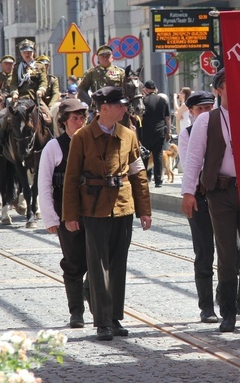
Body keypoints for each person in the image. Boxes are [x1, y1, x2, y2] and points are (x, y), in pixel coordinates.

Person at [62, 85, 152, 341]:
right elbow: (70, 179)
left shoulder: (129, 135)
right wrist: (70, 215)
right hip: (94, 208)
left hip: (123, 207)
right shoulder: (82, 137)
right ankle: (101, 322)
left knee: (118, 265)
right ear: (104, 109)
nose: (125, 109)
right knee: (98, 267)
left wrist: (144, 210)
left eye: (124, 105)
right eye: (120, 105)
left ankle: (114, 317)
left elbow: (138, 174)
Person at [181, 68, 240, 333]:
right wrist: (188, 192)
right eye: (229, 85)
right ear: (219, 90)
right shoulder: (207, 121)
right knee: (227, 253)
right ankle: (228, 312)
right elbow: (194, 158)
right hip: (221, 192)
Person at [38, 98, 90, 328]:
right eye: (74, 119)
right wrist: (50, 217)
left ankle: (97, 305)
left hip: (92, 209)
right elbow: (44, 184)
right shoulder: (54, 147)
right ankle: (76, 312)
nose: (79, 122)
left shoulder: (92, 142)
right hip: (65, 211)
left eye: (82, 118)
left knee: (97, 260)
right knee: (73, 262)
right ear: (64, 122)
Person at [178, 90, 218, 323]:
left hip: (225, 196)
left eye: (208, 108)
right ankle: (207, 306)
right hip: (200, 197)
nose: (204, 113)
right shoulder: (187, 134)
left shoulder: (223, 128)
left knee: (234, 252)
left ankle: (229, 298)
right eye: (200, 109)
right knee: (204, 253)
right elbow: (189, 165)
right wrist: (189, 194)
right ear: (191, 112)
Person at [0, 39, 48, 156]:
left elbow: (44, 81)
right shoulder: (17, 67)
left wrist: (41, 90)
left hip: (35, 98)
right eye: (24, 52)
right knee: (7, 117)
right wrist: (14, 92)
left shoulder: (40, 66)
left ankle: (50, 142)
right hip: (21, 99)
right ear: (21, 53)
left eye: (29, 51)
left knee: (49, 117)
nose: (27, 54)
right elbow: (13, 83)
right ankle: (0, 143)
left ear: (33, 52)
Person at [141, 80, 171, 188]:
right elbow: (167, 118)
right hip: (159, 131)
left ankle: (144, 179)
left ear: (146, 89)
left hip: (146, 132)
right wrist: (168, 132)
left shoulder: (143, 100)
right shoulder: (162, 100)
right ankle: (158, 181)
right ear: (155, 88)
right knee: (158, 155)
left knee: (144, 155)